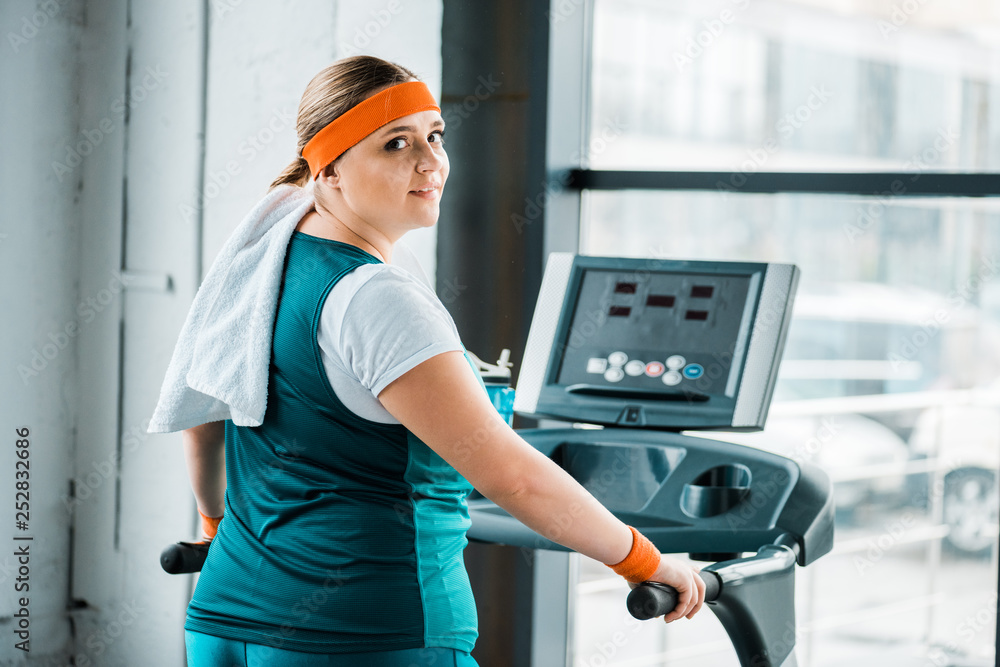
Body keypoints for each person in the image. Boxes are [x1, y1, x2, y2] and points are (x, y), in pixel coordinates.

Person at [176, 55, 706, 667]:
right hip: (369, 632)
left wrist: (214, 527)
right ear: (330, 169)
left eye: (434, 136)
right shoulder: (376, 296)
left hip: (223, 623)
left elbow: (204, 419)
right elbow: (511, 475)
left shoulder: (260, 266)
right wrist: (644, 559)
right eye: (395, 144)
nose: (430, 163)